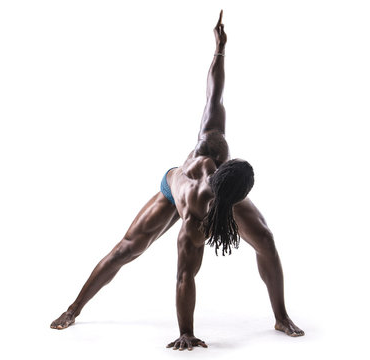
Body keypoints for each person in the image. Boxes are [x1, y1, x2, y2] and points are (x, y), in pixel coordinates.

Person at [50, 11, 304, 350]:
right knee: (127, 250)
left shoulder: (215, 140)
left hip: (217, 194)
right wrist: (186, 332)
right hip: (174, 190)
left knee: (266, 239)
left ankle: (281, 316)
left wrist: (220, 50)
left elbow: (215, 92)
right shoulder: (195, 217)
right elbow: (185, 276)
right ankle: (73, 308)